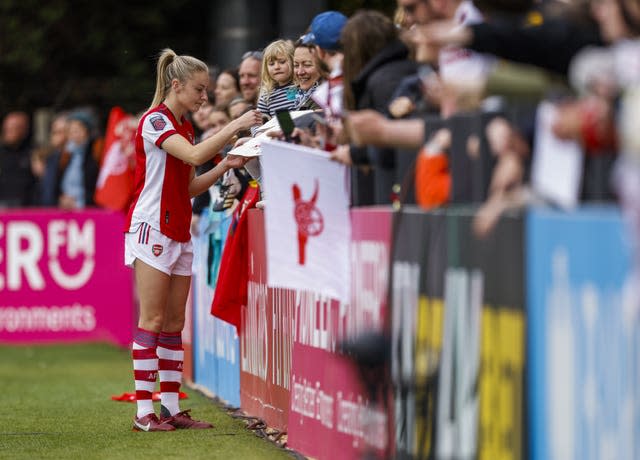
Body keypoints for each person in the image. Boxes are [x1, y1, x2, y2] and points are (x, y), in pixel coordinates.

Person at [124, 48, 262, 432]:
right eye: (199, 90)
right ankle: (143, 414)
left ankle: (169, 408)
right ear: (176, 85)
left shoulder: (181, 126)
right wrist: (234, 126)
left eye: (206, 90)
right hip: (151, 226)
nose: (205, 97)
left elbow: (190, 187)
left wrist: (224, 165)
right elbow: (196, 152)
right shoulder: (155, 122)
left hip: (178, 227)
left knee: (172, 322)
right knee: (151, 319)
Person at [0, 111, 36, 207]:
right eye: (6, 129)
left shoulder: (33, 153)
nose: (8, 132)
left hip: (26, 208)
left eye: (13, 129)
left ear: (24, 131)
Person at [256, 39, 297, 117]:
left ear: (293, 62)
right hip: (276, 128)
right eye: (271, 64)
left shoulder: (300, 88)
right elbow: (257, 122)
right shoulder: (266, 95)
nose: (277, 67)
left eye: (282, 62)